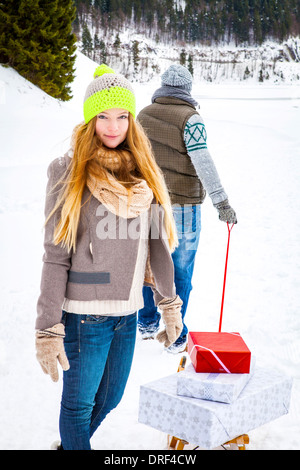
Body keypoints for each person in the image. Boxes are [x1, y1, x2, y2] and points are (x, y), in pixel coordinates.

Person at [35, 64, 183, 450]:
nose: (113, 126)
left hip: (129, 313)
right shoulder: (67, 171)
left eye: (121, 116)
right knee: (79, 406)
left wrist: (168, 306)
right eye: (102, 116)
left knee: (110, 399)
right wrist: (48, 327)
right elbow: (55, 255)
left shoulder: (143, 174)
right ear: (89, 119)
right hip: (85, 316)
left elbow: (157, 246)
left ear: (132, 120)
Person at [137, 64, 237, 353]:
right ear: (187, 90)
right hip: (183, 207)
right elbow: (202, 161)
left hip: (150, 203)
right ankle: (175, 332)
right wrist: (222, 201)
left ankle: (145, 322)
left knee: (150, 265)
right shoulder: (191, 118)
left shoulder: (143, 115)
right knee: (181, 270)